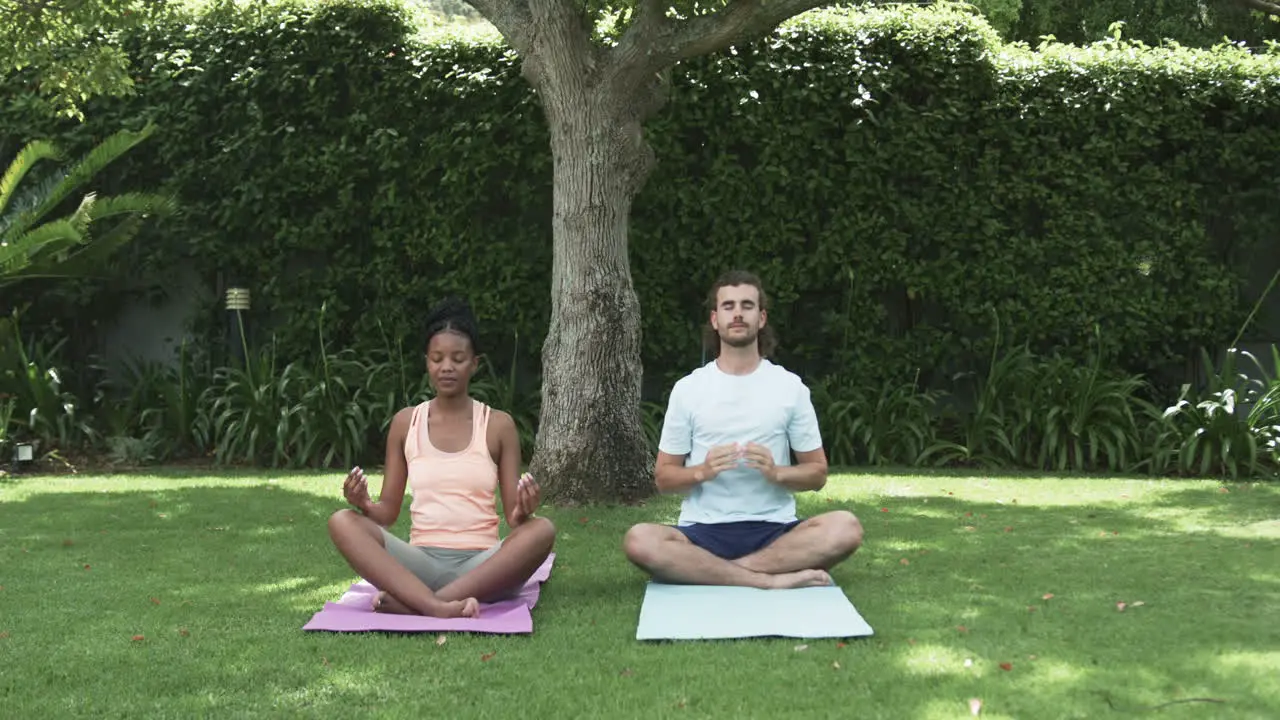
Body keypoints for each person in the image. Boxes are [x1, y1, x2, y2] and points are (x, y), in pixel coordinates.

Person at [623, 270, 863, 589]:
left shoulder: (790, 388)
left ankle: (721, 573)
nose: (737, 313)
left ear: (761, 318)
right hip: (703, 532)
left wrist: (777, 472)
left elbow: (817, 473)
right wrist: (703, 471)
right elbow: (664, 478)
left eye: (747, 305)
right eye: (728, 306)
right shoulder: (689, 389)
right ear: (715, 319)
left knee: (846, 528)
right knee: (639, 540)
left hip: (775, 531)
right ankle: (768, 580)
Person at [327, 297, 555, 618]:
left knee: (542, 530)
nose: (446, 367)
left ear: (474, 363)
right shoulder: (406, 423)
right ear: (427, 362)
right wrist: (363, 503)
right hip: (419, 565)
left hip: (485, 568)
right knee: (342, 521)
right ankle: (436, 605)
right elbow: (387, 513)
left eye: (458, 358)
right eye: (437, 358)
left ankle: (417, 604)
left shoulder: (499, 425)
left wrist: (525, 509)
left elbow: (514, 520)